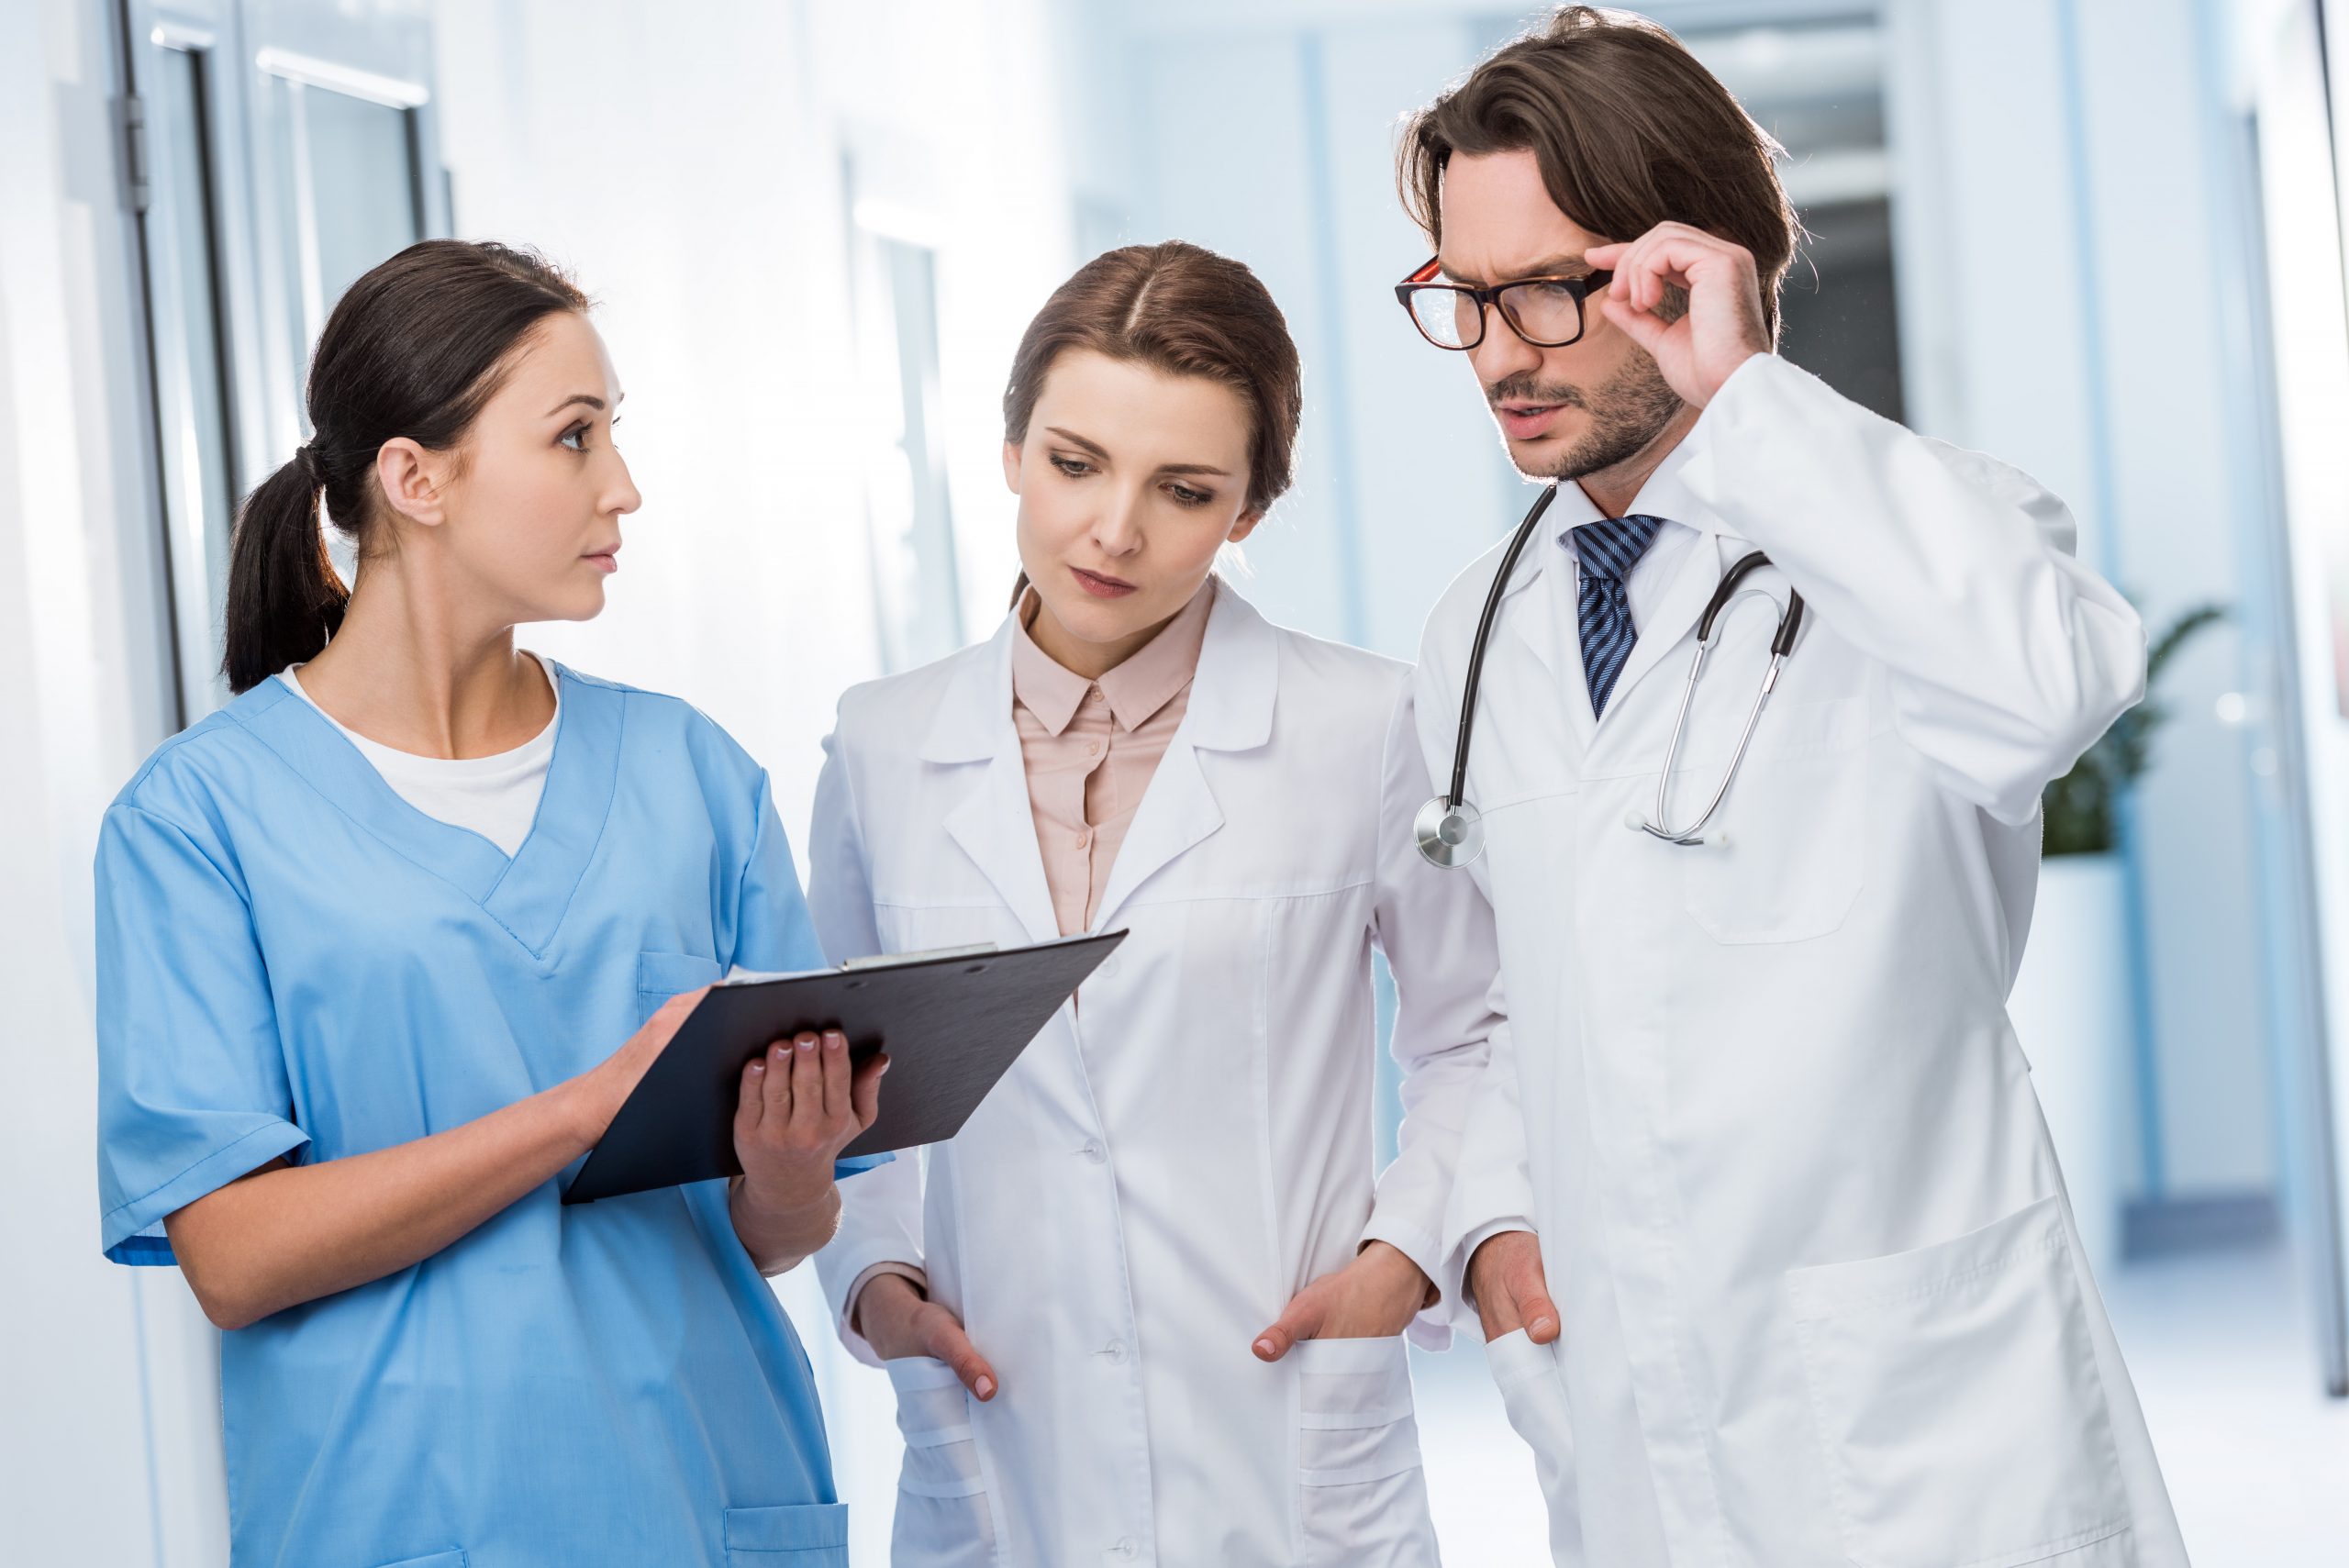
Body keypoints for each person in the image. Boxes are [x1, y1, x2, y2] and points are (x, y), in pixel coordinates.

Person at [1395, 9, 2188, 1566]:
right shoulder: (1475, 640)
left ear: (1698, 265)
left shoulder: (1927, 529)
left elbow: (2047, 689)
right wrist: (1488, 1226)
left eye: (1554, 291)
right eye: (1467, 299)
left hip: (1925, 1438)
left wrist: (1746, 396)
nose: (1500, 353)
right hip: (1632, 1430)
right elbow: (1507, 993)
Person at [95, 239, 885, 1568]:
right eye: (574, 438)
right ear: (416, 479)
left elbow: (771, 1238)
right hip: (402, 1520)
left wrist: (794, 1167)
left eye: (612, 434)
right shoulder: (198, 819)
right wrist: (591, 1104)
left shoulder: (691, 774)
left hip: (703, 1500)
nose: (623, 488)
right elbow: (230, 1251)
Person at [807, 240, 1503, 1565]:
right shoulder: (883, 748)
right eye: (1074, 463)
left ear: (1248, 509)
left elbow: (1477, 1028)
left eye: (1184, 489)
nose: (1114, 529)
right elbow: (842, 1082)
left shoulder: (1361, 725)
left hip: (1284, 1435)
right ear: (1010, 448)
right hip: (998, 1434)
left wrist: (1404, 1254)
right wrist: (878, 1280)